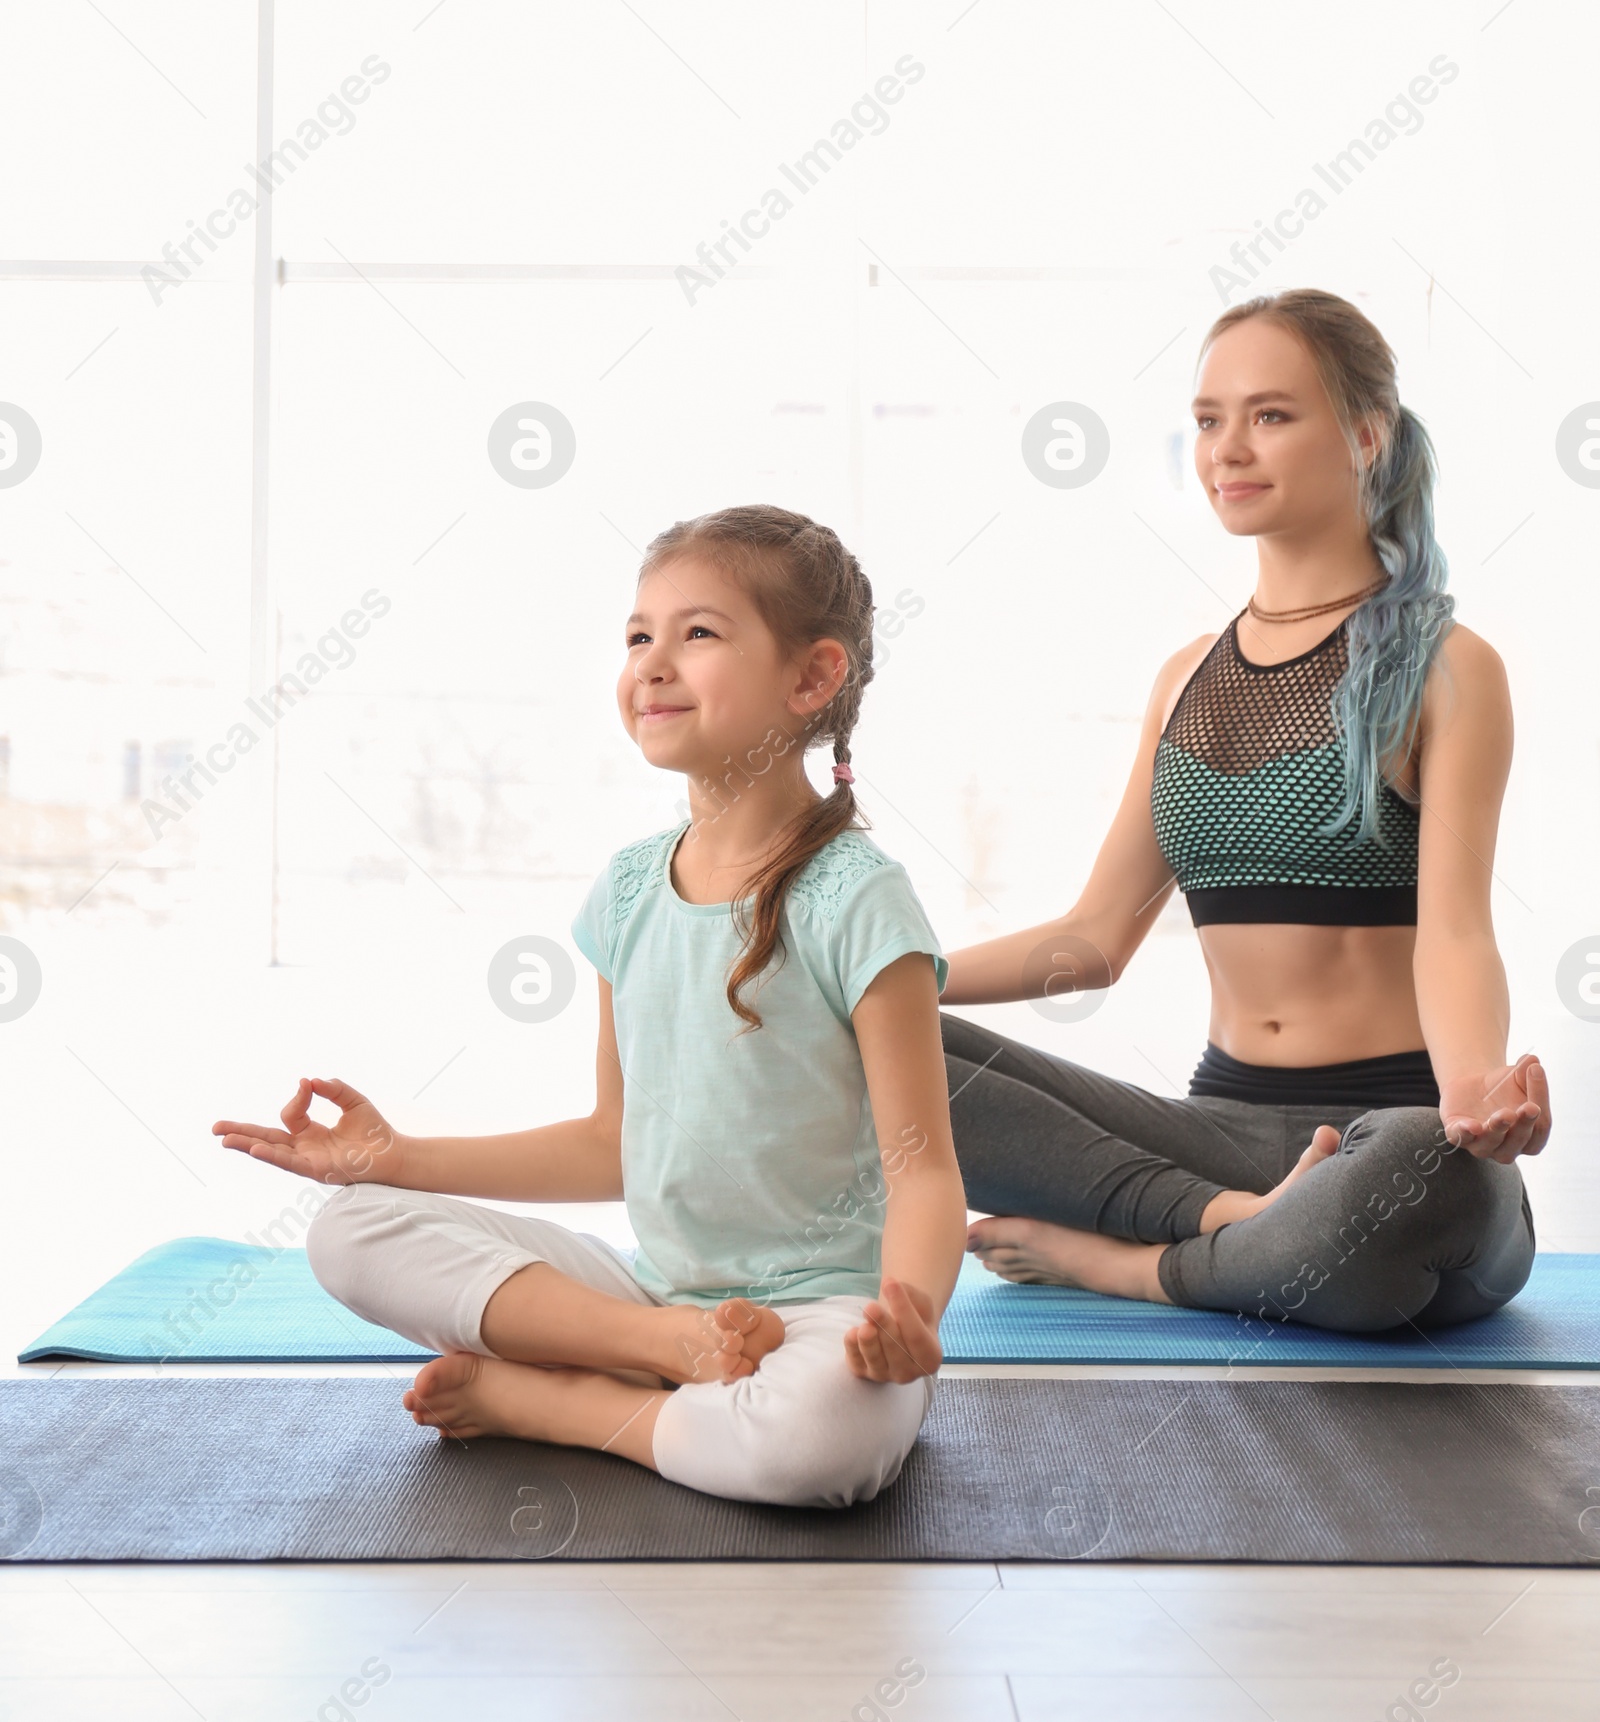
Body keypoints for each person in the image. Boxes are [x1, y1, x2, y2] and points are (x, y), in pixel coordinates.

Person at [214, 505, 964, 1509]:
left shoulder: (859, 895)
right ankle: (660, 1354)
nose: (651, 662)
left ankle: (554, 1402)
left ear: (810, 676)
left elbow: (923, 1166)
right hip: (656, 1302)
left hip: (825, 1313)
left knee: (815, 1445)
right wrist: (393, 1159)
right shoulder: (626, 889)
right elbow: (615, 1140)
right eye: (637, 634)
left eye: (696, 633)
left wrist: (910, 1317)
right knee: (347, 1229)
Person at [942, 290, 1546, 1334]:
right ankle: (1237, 1226)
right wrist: (887, 979)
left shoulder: (1447, 667)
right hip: (1212, 1133)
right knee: (858, 1038)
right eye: (1208, 417)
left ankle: (1123, 1261)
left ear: (1366, 434)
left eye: (1269, 414)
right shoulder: (1186, 675)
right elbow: (1091, 941)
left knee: (1407, 1177)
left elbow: (1453, 935)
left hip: (1394, 1137)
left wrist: (1471, 1097)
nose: (1227, 445)